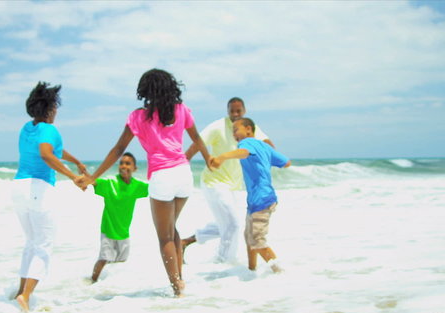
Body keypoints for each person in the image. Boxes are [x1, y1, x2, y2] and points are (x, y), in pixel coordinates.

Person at [77, 68, 212, 297]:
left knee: (165, 236)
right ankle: (181, 280)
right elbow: (197, 139)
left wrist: (93, 177)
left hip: (162, 177)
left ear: (146, 91)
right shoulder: (181, 110)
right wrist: (209, 159)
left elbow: (119, 149)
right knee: (172, 228)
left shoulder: (139, 116)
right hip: (183, 174)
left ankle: (177, 287)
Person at [11, 81, 87, 312]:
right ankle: (25, 296)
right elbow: (46, 153)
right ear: (49, 108)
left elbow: (55, 150)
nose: (56, 111)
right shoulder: (49, 129)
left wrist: (76, 161)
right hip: (38, 189)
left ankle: (19, 291)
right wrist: (73, 176)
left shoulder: (27, 128)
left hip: (18, 188)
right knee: (43, 245)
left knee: (31, 243)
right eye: (55, 106)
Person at [182, 97, 275, 263]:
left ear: (244, 111)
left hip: (232, 186)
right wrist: (188, 161)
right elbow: (198, 142)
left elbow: (268, 144)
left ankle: (186, 242)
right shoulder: (218, 126)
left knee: (228, 223)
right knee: (232, 225)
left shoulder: (249, 128)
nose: (235, 114)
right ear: (228, 111)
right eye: (232, 111)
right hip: (214, 183)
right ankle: (222, 264)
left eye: (238, 111)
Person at [210, 117, 291, 272]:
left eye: (236, 130)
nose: (234, 134)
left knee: (257, 240)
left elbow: (244, 152)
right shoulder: (265, 147)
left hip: (261, 199)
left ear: (248, 129)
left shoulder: (246, 143)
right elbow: (286, 162)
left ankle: (279, 271)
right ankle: (251, 271)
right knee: (249, 237)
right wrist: (266, 158)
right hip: (258, 200)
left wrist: (221, 157)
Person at [89, 152, 149, 282]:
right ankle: (92, 281)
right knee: (104, 258)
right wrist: (83, 175)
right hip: (108, 229)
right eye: (121, 163)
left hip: (124, 232)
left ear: (135, 168)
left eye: (128, 163)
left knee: (121, 261)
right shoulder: (110, 182)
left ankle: (110, 284)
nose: (123, 166)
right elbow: (92, 182)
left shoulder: (138, 186)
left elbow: (156, 189)